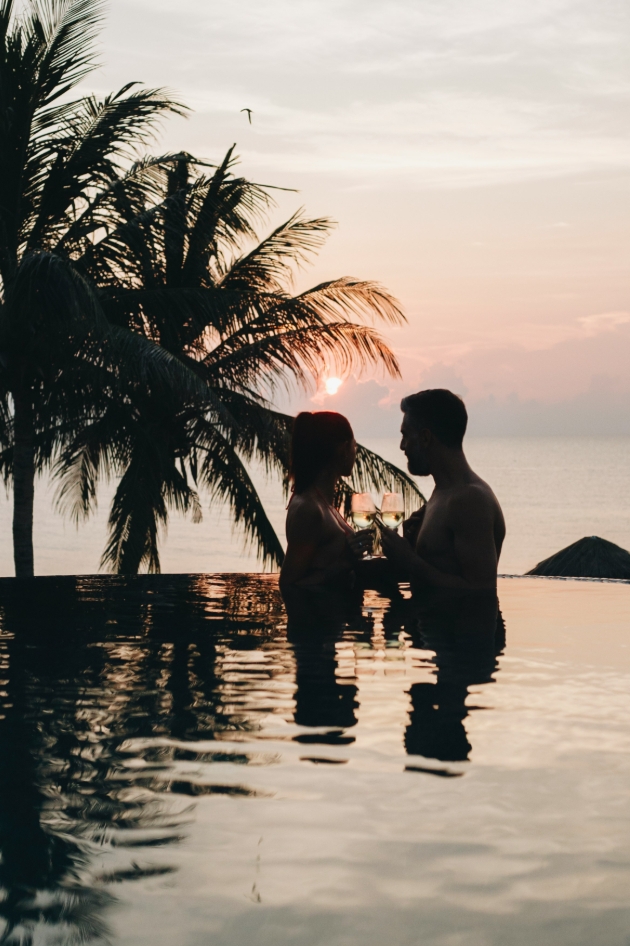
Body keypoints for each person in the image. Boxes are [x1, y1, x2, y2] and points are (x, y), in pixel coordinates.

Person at [379, 389, 505, 590]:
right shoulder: (443, 492)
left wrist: (408, 559)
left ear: (426, 438)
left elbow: (481, 592)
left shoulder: (470, 500)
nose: (402, 446)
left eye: (406, 436)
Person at [280, 411, 360, 593]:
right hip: (317, 620)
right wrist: (345, 561)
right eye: (355, 447)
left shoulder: (322, 503)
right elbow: (288, 584)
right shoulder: (309, 509)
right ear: (344, 449)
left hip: (331, 618)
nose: (355, 453)